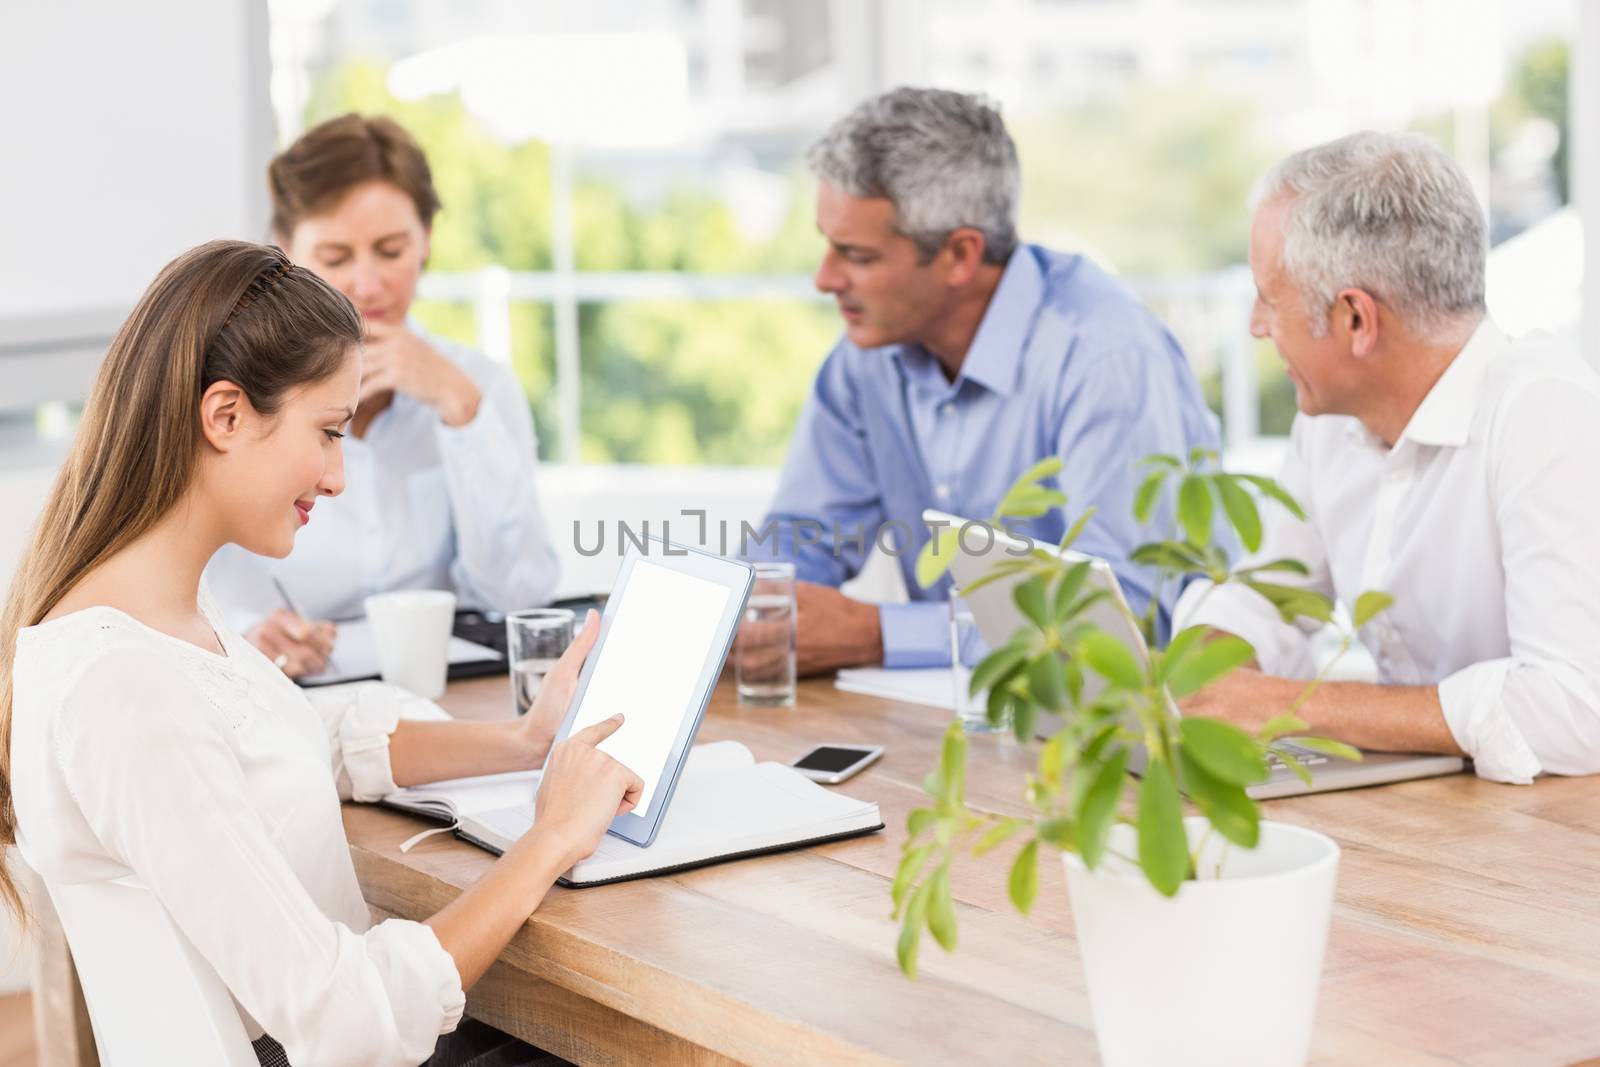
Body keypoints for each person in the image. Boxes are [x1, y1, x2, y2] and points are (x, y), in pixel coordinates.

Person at [1, 241, 642, 1065]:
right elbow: (349, 1021)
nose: (338, 477)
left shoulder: (144, 623)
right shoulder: (125, 687)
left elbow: (299, 733)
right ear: (225, 414)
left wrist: (524, 741)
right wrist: (550, 838)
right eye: (328, 433)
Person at [748, 87, 1220, 676]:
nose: (824, 278)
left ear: (959, 255)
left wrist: (876, 635)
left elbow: (1128, 613)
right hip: (960, 716)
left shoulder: (1106, 356)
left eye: (856, 255)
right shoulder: (867, 357)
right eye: (826, 245)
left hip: (1126, 723)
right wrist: (750, 607)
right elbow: (804, 536)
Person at [1176, 131, 1600, 784]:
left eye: (1269, 296)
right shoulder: (1328, 422)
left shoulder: (1546, 413)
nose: (1257, 325)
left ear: (1355, 320)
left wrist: (1290, 706)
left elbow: (1574, 711)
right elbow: (1270, 595)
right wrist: (1202, 677)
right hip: (1425, 819)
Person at [207, 114, 558, 678]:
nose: (366, 286)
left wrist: (462, 415)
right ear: (286, 252)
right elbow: (180, 585)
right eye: (336, 258)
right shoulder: (233, 394)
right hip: (289, 692)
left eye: (391, 251)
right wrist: (244, 629)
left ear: (426, 243)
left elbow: (518, 595)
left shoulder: (479, 385)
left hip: (445, 690)